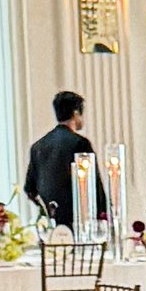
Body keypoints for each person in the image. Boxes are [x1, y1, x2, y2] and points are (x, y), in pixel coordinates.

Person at [22, 91, 107, 229]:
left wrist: (46, 210)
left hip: (52, 224)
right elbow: (93, 184)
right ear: (76, 113)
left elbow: (30, 189)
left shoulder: (37, 147)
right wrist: (103, 216)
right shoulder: (80, 143)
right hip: (79, 221)